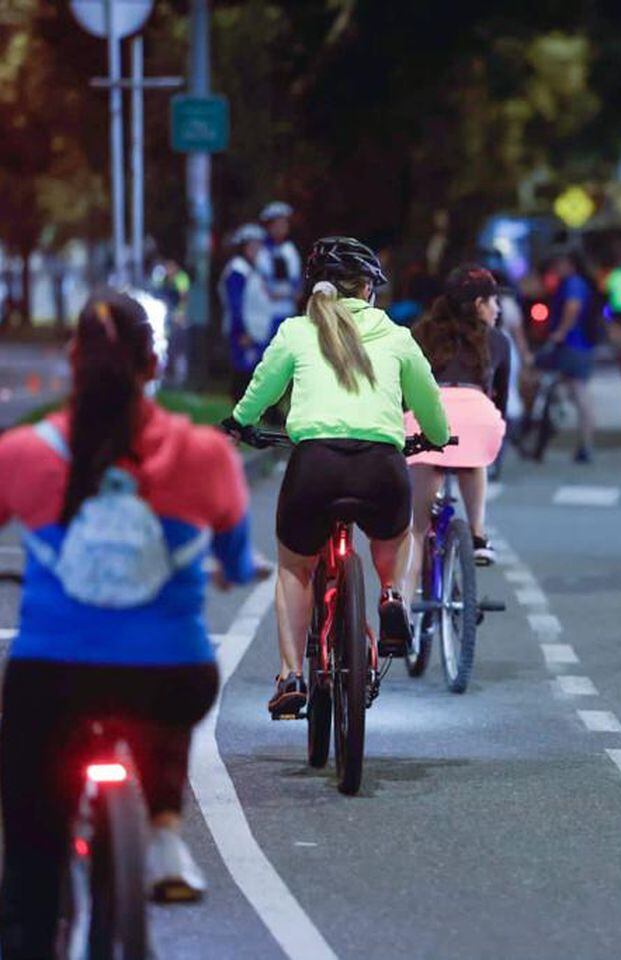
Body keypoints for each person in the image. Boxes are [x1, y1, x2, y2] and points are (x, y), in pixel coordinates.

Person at [0, 292, 260, 951]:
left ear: (71, 362)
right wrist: (228, 567)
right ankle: (162, 828)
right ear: (155, 366)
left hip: (51, 677)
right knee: (161, 707)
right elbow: (234, 555)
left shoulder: (25, 454)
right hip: (174, 677)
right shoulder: (205, 455)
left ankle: (30, 927)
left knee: (31, 833)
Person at [225, 237, 450, 717]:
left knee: (294, 567)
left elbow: (261, 389)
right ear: (368, 288)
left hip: (315, 467)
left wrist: (240, 423)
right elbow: (429, 402)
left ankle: (291, 677)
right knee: (400, 537)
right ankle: (392, 597)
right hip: (381, 468)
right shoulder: (396, 335)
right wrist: (436, 435)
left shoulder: (297, 331)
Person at [406, 264, 510, 575]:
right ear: (479, 304)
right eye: (494, 301)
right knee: (473, 457)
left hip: (425, 421)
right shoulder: (497, 341)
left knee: (417, 529)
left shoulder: (419, 334)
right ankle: (478, 535)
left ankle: (406, 610)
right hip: (476, 421)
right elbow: (500, 400)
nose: (498, 309)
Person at [541, 248, 596, 463]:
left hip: (574, 345)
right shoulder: (573, 283)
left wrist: (561, 332)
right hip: (578, 345)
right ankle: (581, 438)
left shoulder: (574, 283)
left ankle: (586, 443)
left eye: (561, 263)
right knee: (570, 388)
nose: (557, 268)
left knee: (578, 391)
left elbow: (573, 308)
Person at [219, 223, 275, 400]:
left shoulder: (253, 270)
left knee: (252, 372)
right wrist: (242, 331)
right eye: (252, 245)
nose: (257, 249)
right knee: (242, 372)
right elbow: (235, 304)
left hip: (253, 330)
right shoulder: (238, 270)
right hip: (242, 331)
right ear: (243, 247)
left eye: (259, 245)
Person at [256, 201, 303, 337]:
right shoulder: (262, 251)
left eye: (284, 223)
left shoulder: (290, 249)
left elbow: (296, 281)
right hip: (268, 314)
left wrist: (295, 291)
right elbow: (264, 285)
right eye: (277, 224)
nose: (282, 227)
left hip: (288, 312)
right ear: (269, 226)